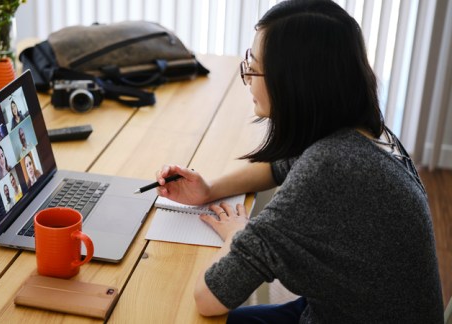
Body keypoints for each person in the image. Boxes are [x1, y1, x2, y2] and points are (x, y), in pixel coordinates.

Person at [155, 1, 443, 323]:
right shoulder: (365, 133)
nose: (248, 76)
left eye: (256, 65)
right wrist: (209, 190)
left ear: (295, 81)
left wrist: (239, 233)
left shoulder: (333, 168)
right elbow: (280, 166)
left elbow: (210, 297)